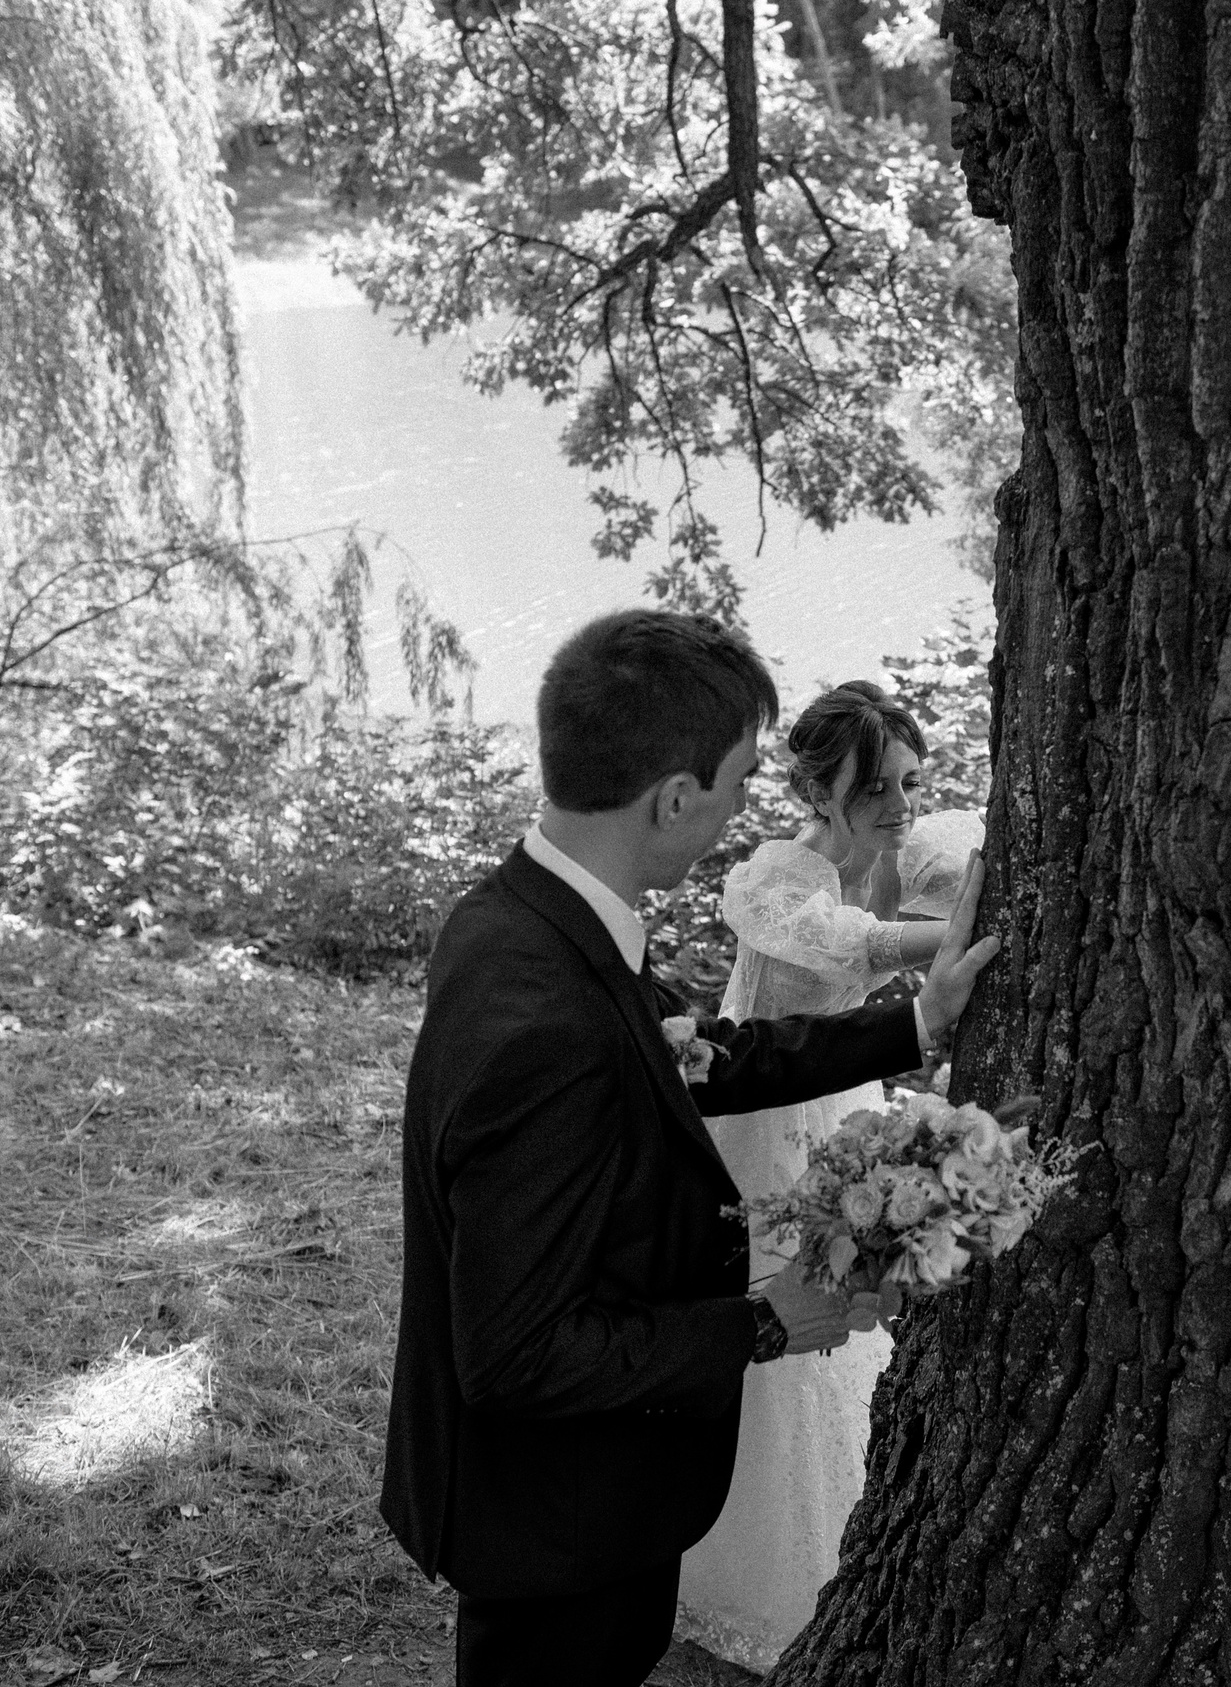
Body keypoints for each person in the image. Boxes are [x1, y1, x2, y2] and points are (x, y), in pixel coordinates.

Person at [379, 615, 1000, 1687]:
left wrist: (916, 1022)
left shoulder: (517, 915)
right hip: (557, 1512)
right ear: (674, 796)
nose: (736, 810)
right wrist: (767, 1319)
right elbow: (518, 1353)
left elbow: (700, 1055)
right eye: (733, 782)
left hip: (580, 1494)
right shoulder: (544, 1018)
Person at [675, 680, 985, 1669]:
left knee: (835, 1333)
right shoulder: (777, 869)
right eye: (873, 789)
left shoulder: (878, 862)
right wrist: (982, 930)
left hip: (824, 1113)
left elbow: (880, 924)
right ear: (818, 788)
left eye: (906, 783)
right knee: (773, 1323)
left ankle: (831, 1543)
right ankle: (729, 1567)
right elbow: (846, 945)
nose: (896, 806)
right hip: (755, 1124)